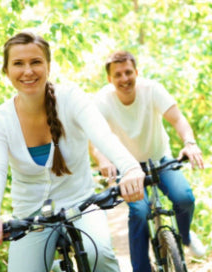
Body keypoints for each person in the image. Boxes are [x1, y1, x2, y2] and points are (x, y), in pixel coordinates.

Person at [0, 32, 146, 272]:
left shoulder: (72, 99)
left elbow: (103, 136)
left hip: (82, 203)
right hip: (31, 216)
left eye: (36, 62)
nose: (28, 71)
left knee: (99, 257)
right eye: (18, 63)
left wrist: (130, 168)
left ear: (48, 65)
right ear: (6, 70)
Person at [90, 51, 206, 272]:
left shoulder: (151, 89)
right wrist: (103, 159)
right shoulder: (102, 101)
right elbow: (95, 140)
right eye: (118, 75)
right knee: (140, 213)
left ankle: (186, 237)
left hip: (159, 158)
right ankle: (142, 269)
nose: (124, 79)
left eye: (128, 72)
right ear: (109, 79)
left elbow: (177, 119)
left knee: (184, 198)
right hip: (128, 167)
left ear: (136, 72)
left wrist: (190, 143)